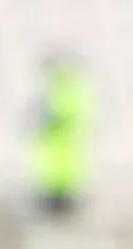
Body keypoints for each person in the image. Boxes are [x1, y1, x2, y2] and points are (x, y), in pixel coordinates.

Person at [32, 53, 93, 220]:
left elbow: (68, 113)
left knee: (63, 184)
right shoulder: (58, 87)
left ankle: (63, 208)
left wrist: (51, 118)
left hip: (63, 155)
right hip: (57, 157)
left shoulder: (68, 87)